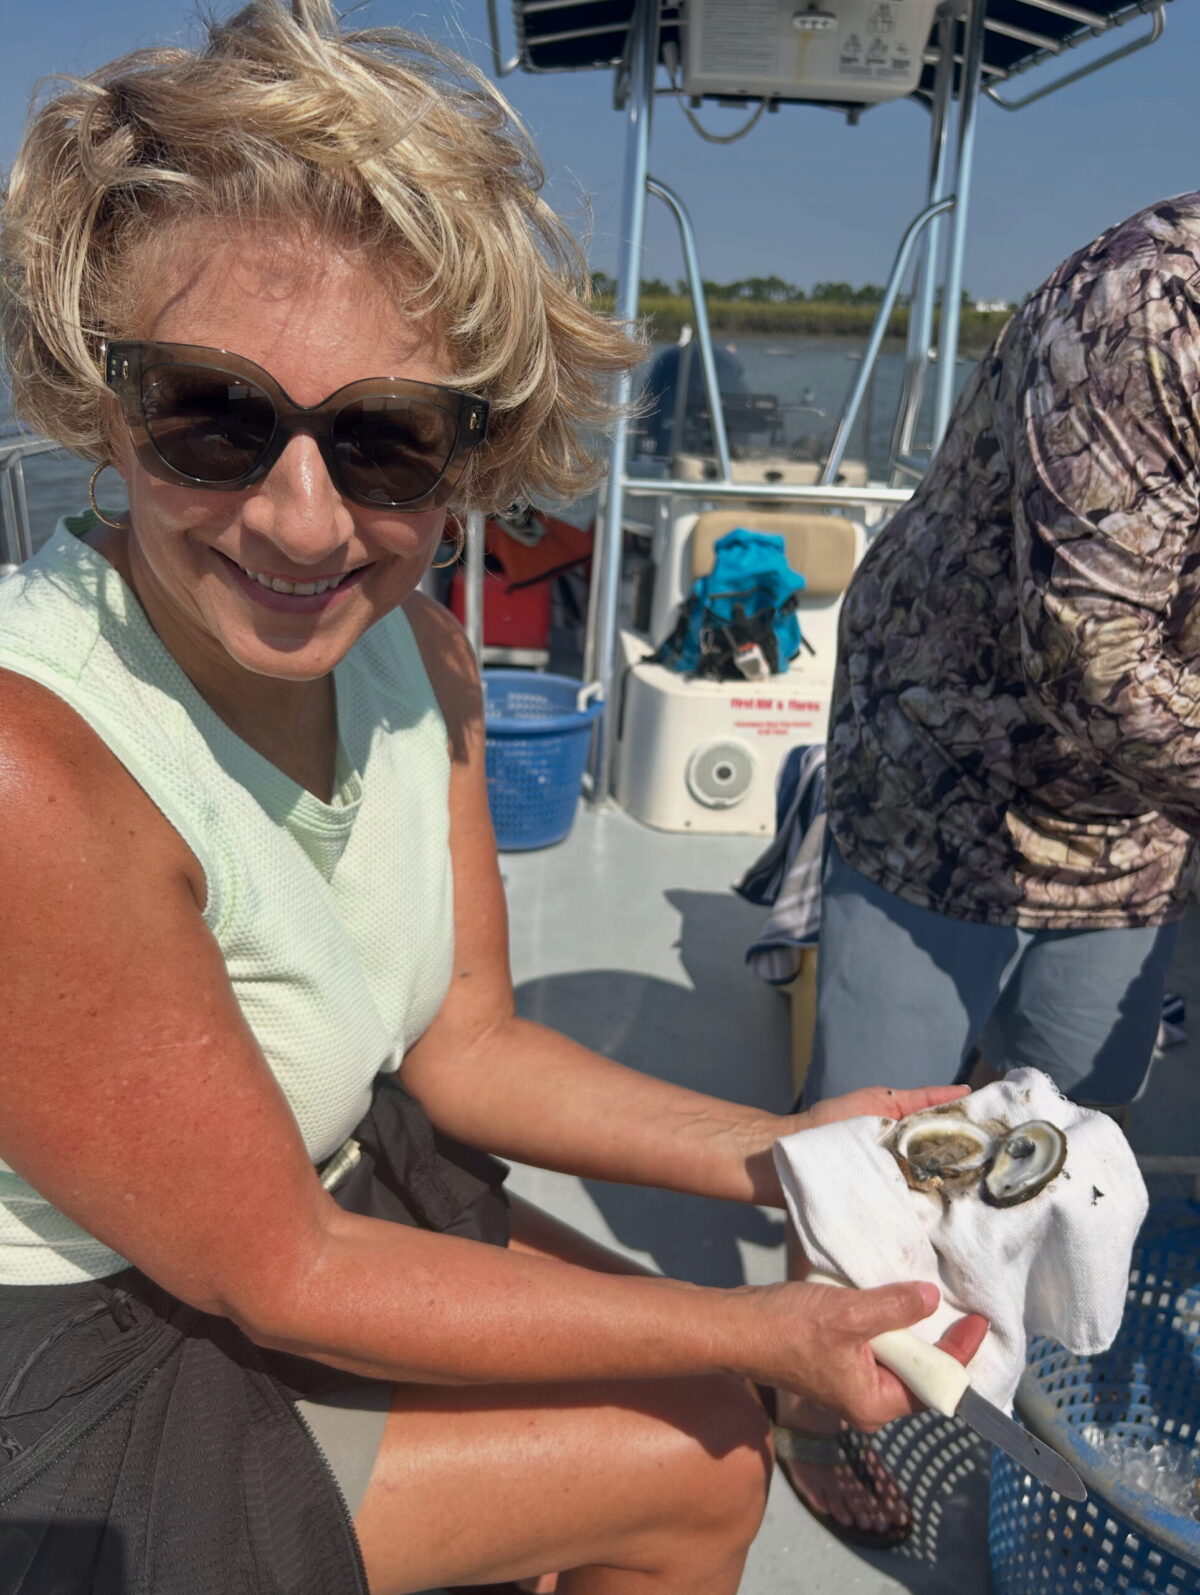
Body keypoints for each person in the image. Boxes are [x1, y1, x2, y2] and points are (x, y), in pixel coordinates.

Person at [0, 6, 986, 1592]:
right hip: (81, 1348)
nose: (303, 522)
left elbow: (464, 1044)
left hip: (313, 1197)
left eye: (387, 439)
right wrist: (766, 1329)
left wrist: (799, 1153)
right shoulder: (34, 761)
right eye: (213, 416)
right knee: (708, 1455)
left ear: (474, 450)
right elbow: (286, 1271)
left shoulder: (425, 663)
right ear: (100, 400)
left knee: (704, 1401)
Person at [775, 190, 1200, 1544]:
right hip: (949, 773)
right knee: (869, 1155)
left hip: (1143, 824)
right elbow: (1094, 653)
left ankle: (1012, 1369)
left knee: (1069, 1140)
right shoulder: (1152, 305)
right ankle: (811, 1402)